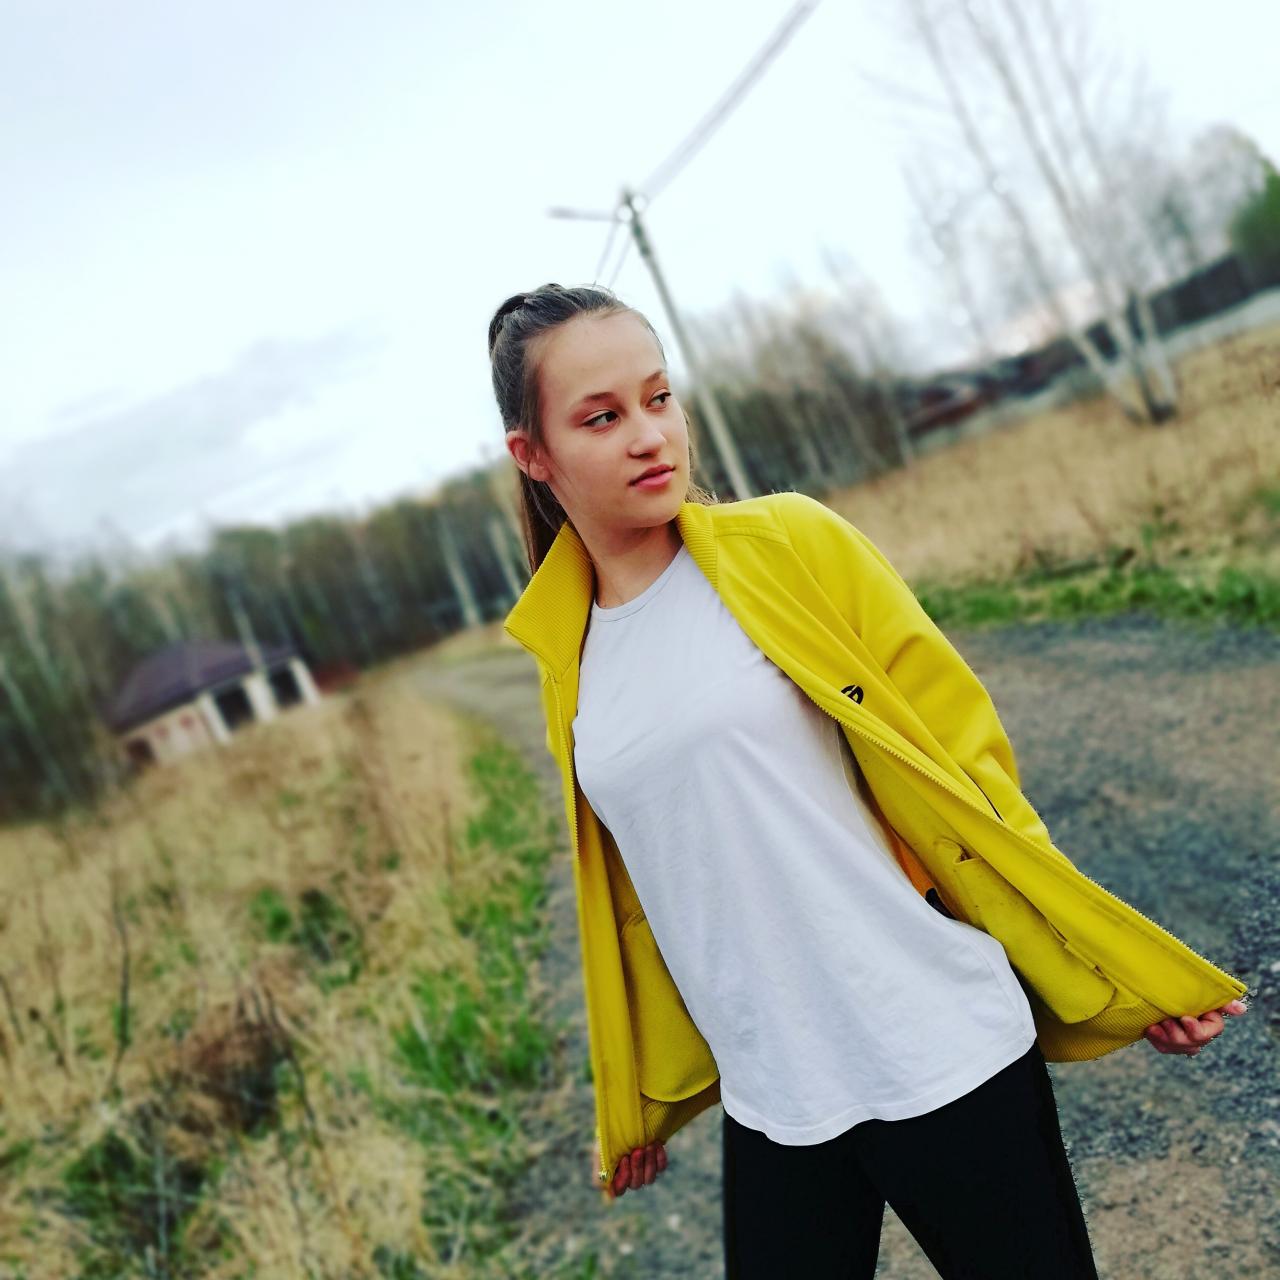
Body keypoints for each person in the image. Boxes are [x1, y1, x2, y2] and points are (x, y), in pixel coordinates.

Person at [489, 282, 1248, 1278]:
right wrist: (634, 1093)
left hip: (939, 1048)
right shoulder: (567, 655)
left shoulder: (790, 547)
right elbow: (646, 891)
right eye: (601, 417)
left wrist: (1110, 963)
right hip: (774, 1100)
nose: (649, 435)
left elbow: (963, 765)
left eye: (658, 397)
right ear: (533, 455)